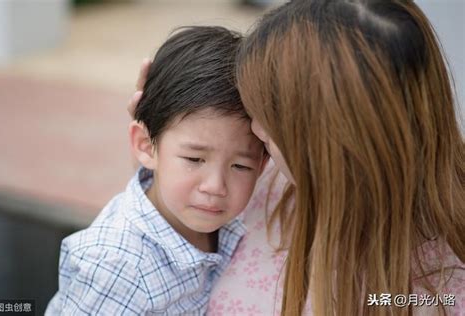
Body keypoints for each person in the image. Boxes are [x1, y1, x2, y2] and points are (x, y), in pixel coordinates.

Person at [126, 1, 465, 315]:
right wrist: (166, 148)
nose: (256, 129)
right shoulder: (267, 176)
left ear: (332, 142)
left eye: (274, 116)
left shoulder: (435, 288)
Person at [46, 26, 267, 315]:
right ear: (146, 146)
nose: (215, 186)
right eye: (193, 159)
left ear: (264, 164)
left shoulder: (222, 221)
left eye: (240, 166)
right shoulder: (116, 268)